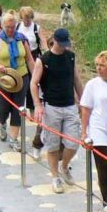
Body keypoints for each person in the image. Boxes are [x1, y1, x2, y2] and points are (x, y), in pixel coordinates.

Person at [31, 28, 83, 193]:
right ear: (56, 42)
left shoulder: (71, 57)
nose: (66, 47)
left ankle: (65, 166)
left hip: (69, 105)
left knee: (73, 142)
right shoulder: (44, 60)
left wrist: (82, 99)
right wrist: (38, 105)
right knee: (52, 145)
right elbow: (34, 83)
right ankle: (55, 177)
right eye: (63, 44)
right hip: (51, 106)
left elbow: (76, 79)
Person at [80, 51, 107, 212]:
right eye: (97, 65)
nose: (98, 68)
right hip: (98, 129)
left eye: (102, 65)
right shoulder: (92, 85)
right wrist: (84, 131)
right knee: (104, 165)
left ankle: (105, 186)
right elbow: (86, 108)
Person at [0, 11, 35, 148]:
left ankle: (14, 139)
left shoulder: (21, 38)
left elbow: (29, 59)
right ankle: (2, 123)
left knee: (18, 107)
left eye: (12, 27)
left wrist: (35, 79)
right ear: (2, 26)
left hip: (21, 77)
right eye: (7, 27)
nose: (10, 30)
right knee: (3, 107)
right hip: (3, 78)